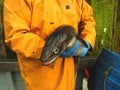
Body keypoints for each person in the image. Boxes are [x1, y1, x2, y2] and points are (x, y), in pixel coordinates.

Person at [4, 0, 96, 90]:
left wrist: (87, 42)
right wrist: (49, 48)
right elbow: (16, 35)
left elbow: (87, 19)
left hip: (69, 74)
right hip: (42, 78)